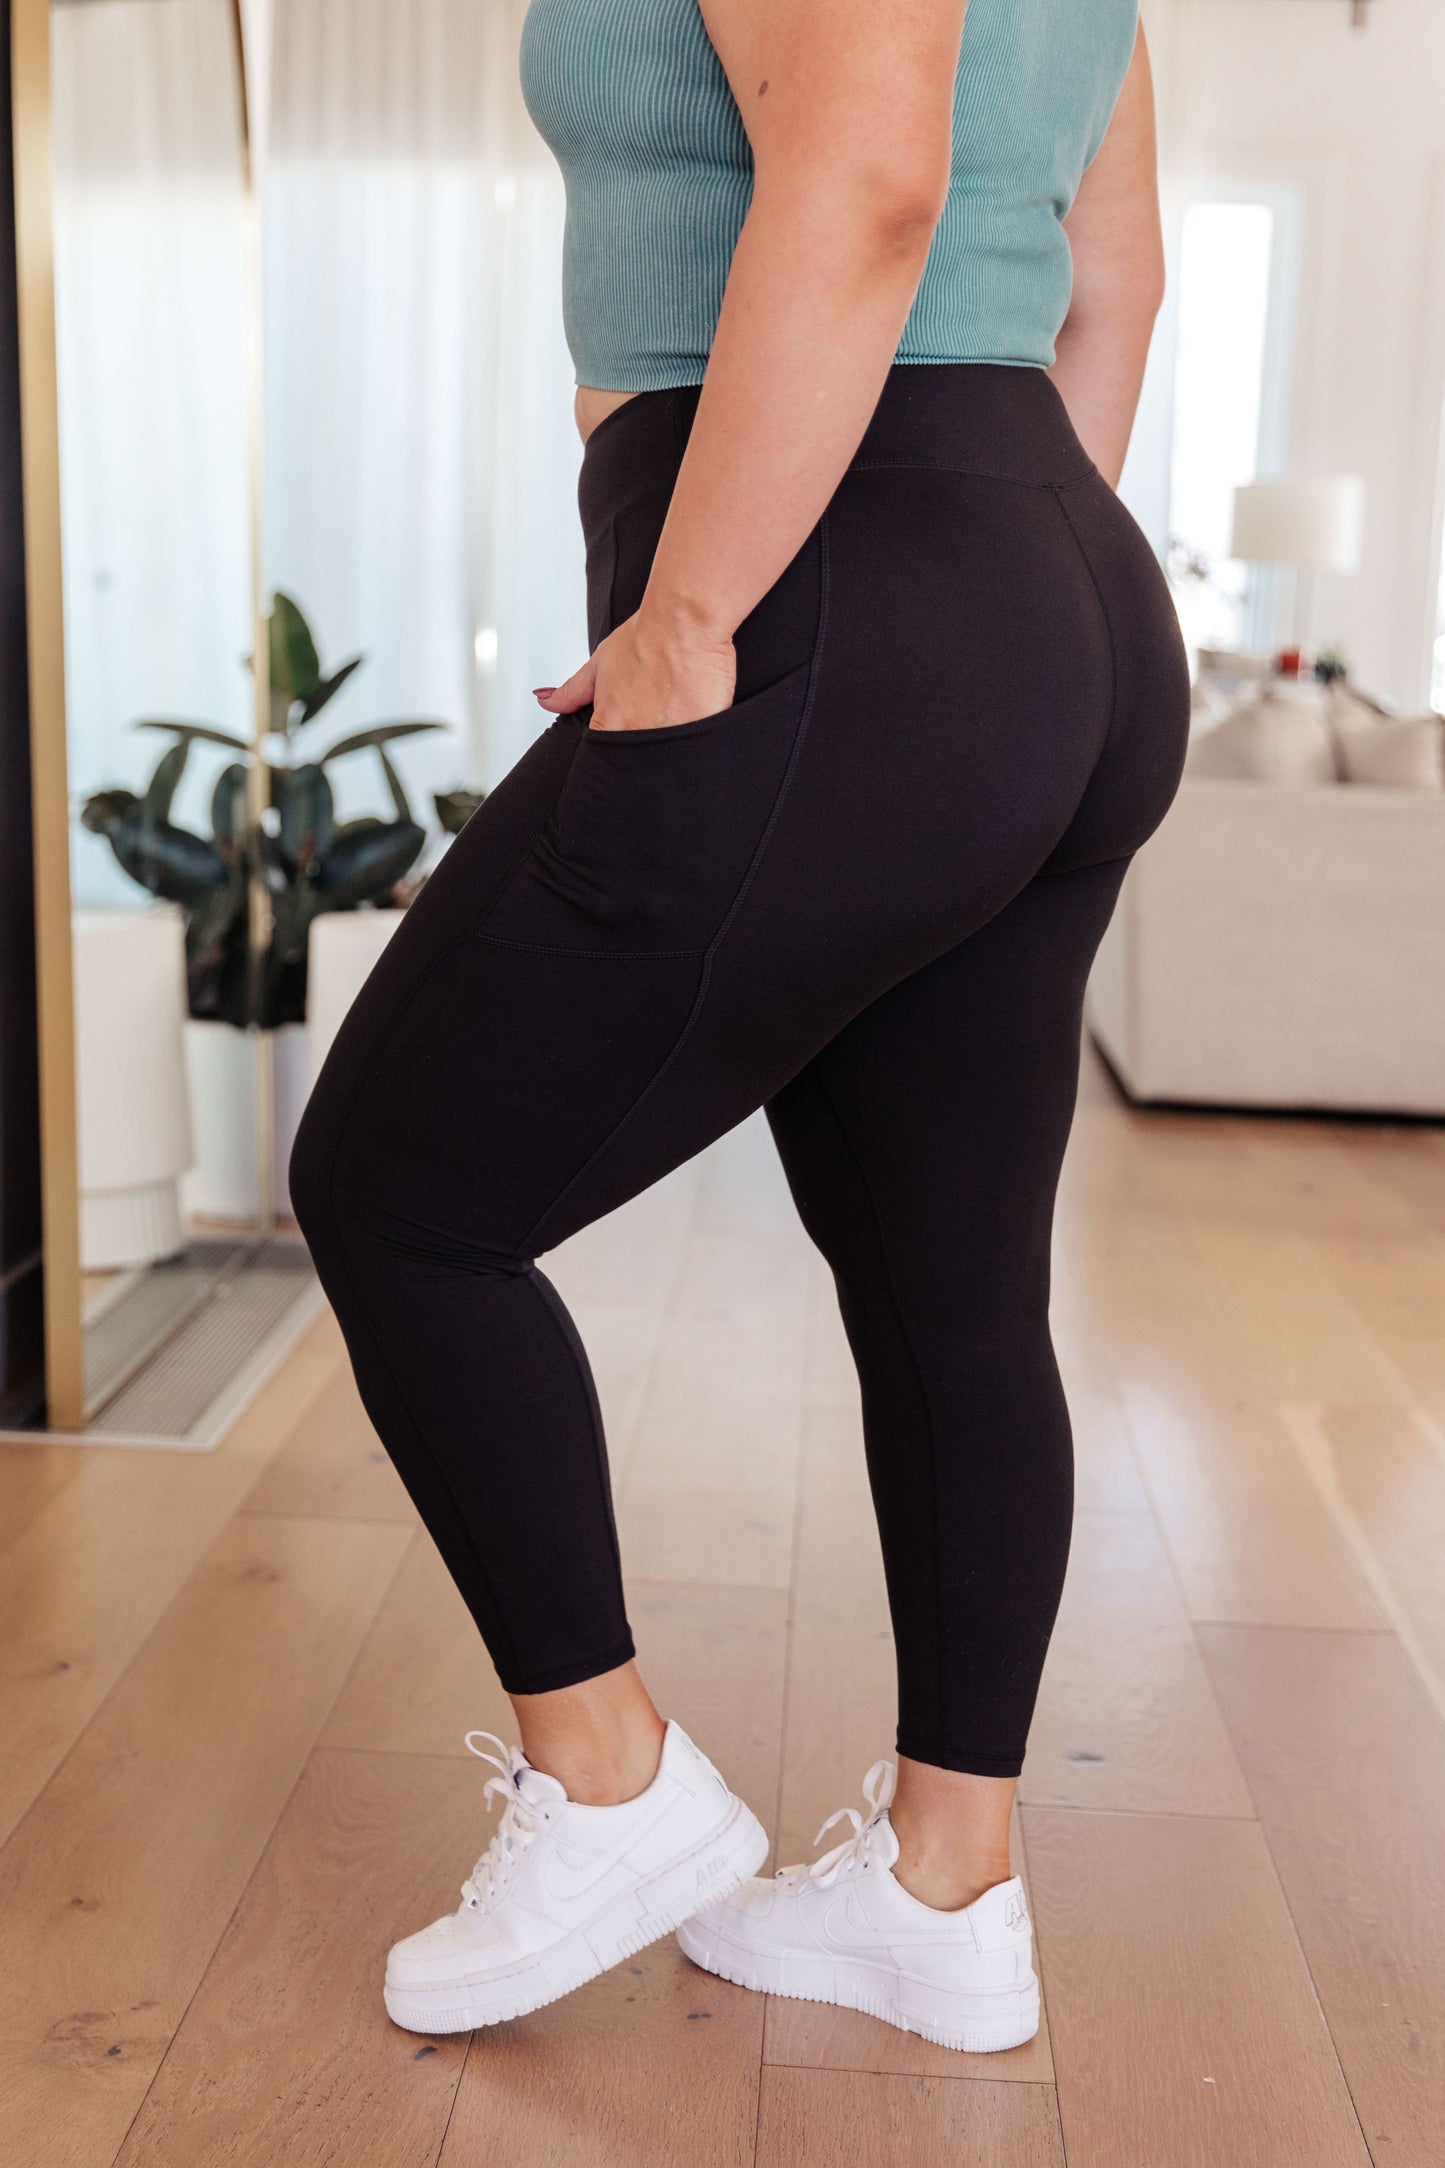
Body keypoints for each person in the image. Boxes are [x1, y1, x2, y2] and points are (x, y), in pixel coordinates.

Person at [288, 0, 1189, 2055]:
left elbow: (867, 185)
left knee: (400, 1193)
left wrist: (697, 615)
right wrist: (1001, 615)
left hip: (828, 569)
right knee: (954, 1289)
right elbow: (1113, 273)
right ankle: (945, 1891)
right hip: (1048, 575)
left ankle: (610, 1778)